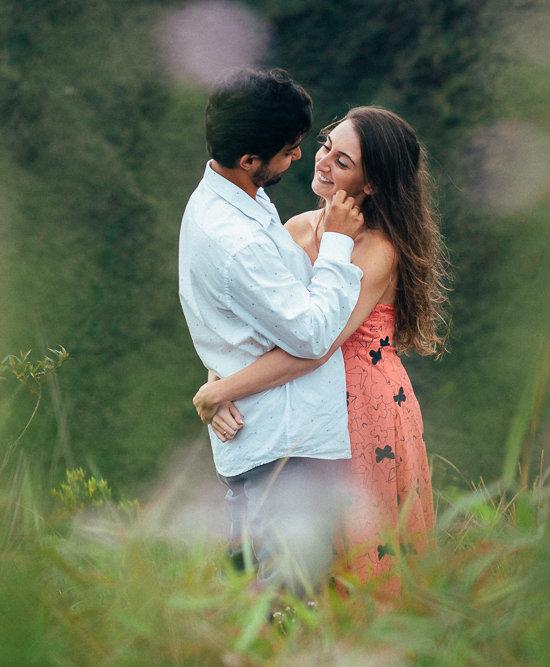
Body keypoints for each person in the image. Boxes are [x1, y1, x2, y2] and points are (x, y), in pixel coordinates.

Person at [193, 106, 449, 599]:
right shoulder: (296, 227)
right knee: (288, 551)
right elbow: (249, 322)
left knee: (356, 548)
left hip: (364, 407)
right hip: (294, 400)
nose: (323, 161)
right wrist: (217, 380)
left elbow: (318, 347)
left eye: (343, 161)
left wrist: (221, 391)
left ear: (372, 185)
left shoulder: (378, 249)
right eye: (327, 146)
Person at [177, 68, 366, 595]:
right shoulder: (235, 238)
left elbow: (233, 318)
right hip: (283, 450)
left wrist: (220, 380)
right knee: (288, 606)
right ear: (248, 160)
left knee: (260, 603)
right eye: (289, 150)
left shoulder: (235, 198)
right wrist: (338, 243)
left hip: (266, 440)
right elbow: (312, 334)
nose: (301, 157)